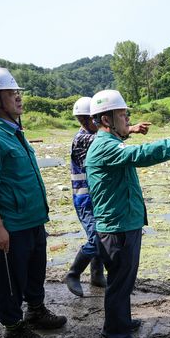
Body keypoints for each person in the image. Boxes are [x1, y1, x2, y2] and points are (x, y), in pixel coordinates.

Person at [85, 89, 170, 338]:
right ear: (106, 119)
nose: (127, 118)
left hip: (120, 224)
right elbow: (141, 154)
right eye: (122, 114)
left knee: (121, 283)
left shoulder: (110, 141)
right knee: (119, 285)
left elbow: (130, 145)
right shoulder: (106, 146)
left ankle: (117, 325)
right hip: (117, 229)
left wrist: (131, 130)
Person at [0, 67, 66, 338]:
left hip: (31, 220)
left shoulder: (13, 131)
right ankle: (13, 328)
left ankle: (35, 310)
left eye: (18, 93)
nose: (18, 98)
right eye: (12, 93)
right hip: (8, 225)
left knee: (34, 272)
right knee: (10, 281)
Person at [65, 96, 150, 297]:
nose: (87, 123)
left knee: (103, 237)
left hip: (99, 197)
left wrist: (127, 129)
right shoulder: (84, 139)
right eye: (84, 119)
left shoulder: (99, 136)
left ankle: (97, 275)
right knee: (97, 237)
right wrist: (130, 129)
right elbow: (112, 142)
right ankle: (73, 273)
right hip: (85, 199)